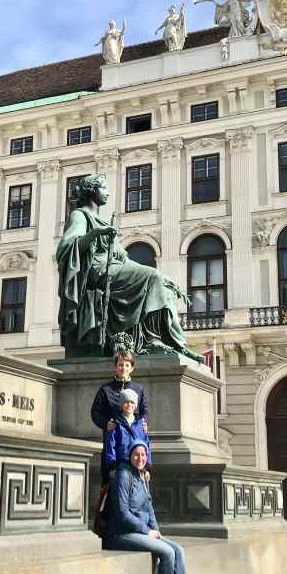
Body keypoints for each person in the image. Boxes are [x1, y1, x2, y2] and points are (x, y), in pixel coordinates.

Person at [58, 174, 193, 358]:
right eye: (104, 188)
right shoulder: (79, 215)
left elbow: (125, 260)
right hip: (97, 270)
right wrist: (96, 233)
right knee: (152, 278)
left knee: (158, 279)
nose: (108, 193)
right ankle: (152, 339)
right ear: (92, 191)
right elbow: (68, 246)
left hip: (113, 267)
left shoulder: (104, 221)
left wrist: (163, 277)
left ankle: (173, 342)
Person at [104, 441, 186, 574]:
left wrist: (155, 529)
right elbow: (122, 513)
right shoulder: (123, 475)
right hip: (122, 533)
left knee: (179, 551)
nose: (140, 458)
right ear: (129, 455)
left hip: (141, 532)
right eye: (136, 454)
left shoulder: (143, 477)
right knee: (168, 553)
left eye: (143, 455)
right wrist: (147, 531)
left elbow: (149, 508)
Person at [91, 343, 149, 484]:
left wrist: (144, 422)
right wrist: (105, 424)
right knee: (111, 485)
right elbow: (95, 412)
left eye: (127, 365)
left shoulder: (139, 389)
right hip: (113, 444)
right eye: (121, 365)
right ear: (116, 367)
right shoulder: (105, 389)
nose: (124, 368)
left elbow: (144, 410)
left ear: (132, 368)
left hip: (134, 444)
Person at [103, 388, 151, 477]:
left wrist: (147, 468)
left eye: (132, 402)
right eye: (126, 402)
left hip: (138, 466)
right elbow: (111, 446)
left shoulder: (141, 424)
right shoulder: (115, 423)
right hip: (121, 467)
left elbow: (146, 446)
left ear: (136, 405)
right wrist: (112, 467)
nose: (129, 405)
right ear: (121, 405)